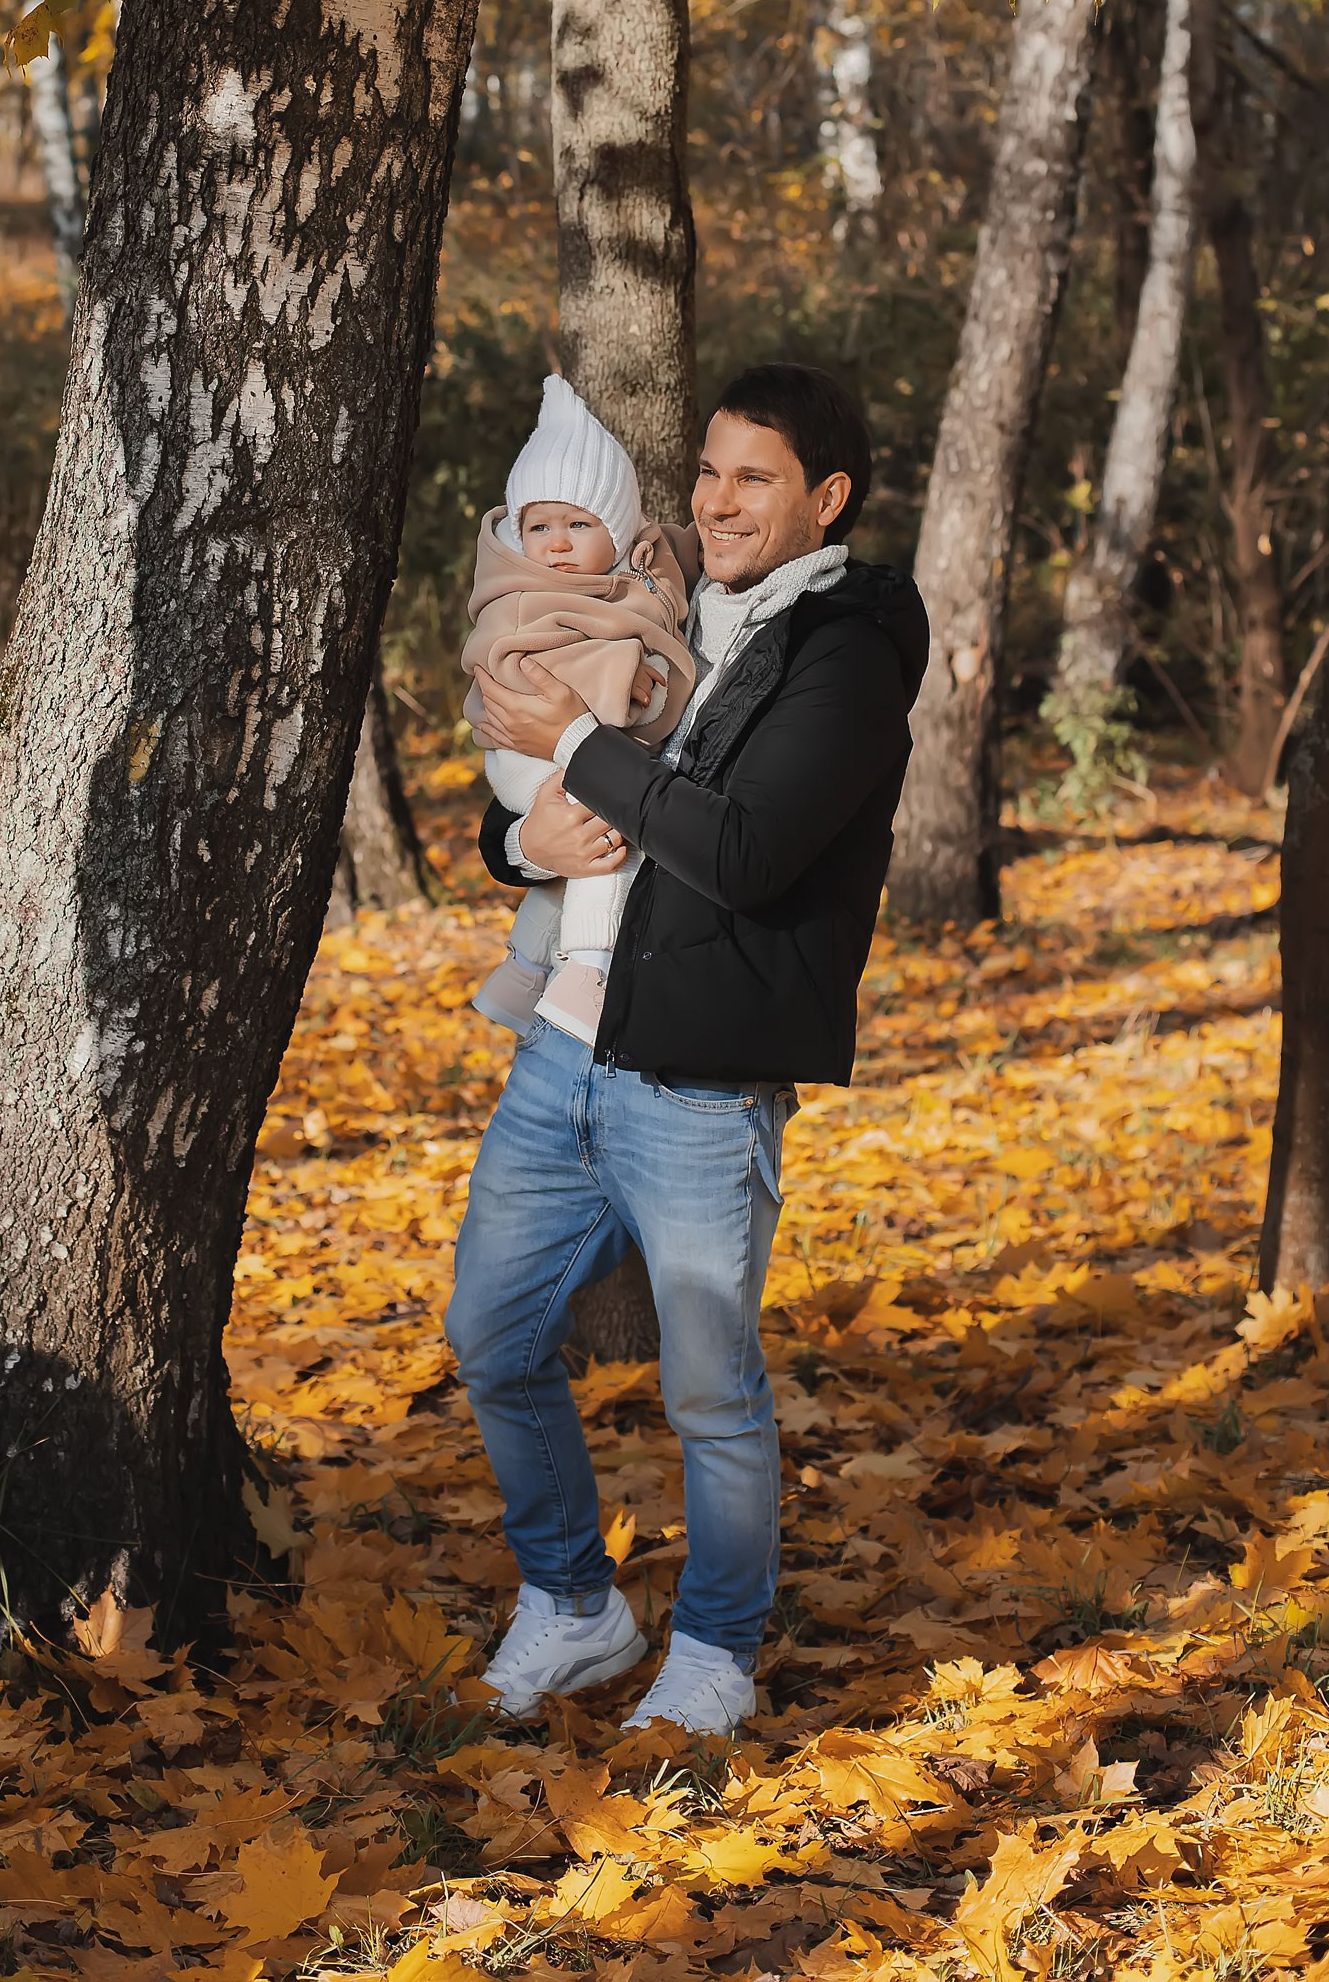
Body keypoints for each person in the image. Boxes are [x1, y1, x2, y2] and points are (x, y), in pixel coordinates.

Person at [447, 362, 928, 1734]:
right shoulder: (663, 600)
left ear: (824, 499)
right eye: (709, 471)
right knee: (490, 1335)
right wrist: (508, 841)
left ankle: (715, 1650)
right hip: (560, 1057)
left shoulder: (843, 653)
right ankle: (575, 1605)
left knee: (712, 1392)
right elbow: (544, 799)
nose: (719, 500)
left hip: (699, 1084)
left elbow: (747, 850)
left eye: (755, 477)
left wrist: (583, 741)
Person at [462, 376, 695, 1042]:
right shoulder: (521, 591)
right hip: (523, 747)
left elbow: (669, 566)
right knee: (611, 827)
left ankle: (524, 969)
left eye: (578, 524)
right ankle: (586, 971)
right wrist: (623, 674)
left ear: (617, 533)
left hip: (557, 742)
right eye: (539, 525)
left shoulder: (616, 583)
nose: (556, 543)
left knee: (575, 849)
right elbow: (525, 661)